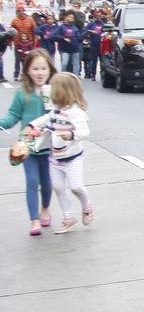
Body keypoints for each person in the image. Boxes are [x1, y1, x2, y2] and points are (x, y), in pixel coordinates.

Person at [28, 73, 93, 234]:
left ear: (64, 92)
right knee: (57, 187)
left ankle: (87, 205)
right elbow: (45, 119)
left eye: (54, 90)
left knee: (76, 187)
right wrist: (32, 126)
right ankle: (68, 217)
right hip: (55, 158)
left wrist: (72, 135)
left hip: (73, 158)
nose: (51, 93)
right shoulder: (55, 110)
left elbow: (85, 132)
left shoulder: (76, 112)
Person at [0, 49, 55, 235]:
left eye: (43, 68)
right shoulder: (22, 93)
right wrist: (1, 123)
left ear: (50, 70)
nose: (40, 72)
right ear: (28, 71)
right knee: (32, 181)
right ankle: (34, 220)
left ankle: (45, 209)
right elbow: (13, 115)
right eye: (35, 68)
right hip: (27, 146)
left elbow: (64, 112)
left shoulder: (54, 91)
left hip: (49, 147)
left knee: (47, 182)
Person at [11, 2, 36, 81]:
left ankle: (26, 75)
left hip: (29, 44)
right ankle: (16, 75)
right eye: (19, 10)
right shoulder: (14, 21)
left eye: (22, 10)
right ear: (17, 11)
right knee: (18, 59)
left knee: (28, 60)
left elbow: (35, 30)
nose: (21, 12)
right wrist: (10, 43)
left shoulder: (30, 19)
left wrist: (34, 42)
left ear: (24, 11)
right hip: (18, 43)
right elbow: (11, 32)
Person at [54, 10, 82, 75]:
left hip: (75, 49)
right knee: (64, 63)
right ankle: (63, 76)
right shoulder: (61, 27)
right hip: (64, 49)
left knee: (76, 64)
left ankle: (76, 77)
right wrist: (64, 38)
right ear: (66, 17)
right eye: (69, 17)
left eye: (72, 18)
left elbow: (78, 37)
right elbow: (55, 36)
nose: (71, 19)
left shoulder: (75, 28)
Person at [84, 11, 104, 80]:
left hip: (102, 45)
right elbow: (85, 30)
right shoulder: (91, 24)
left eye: (100, 15)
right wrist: (91, 32)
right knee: (94, 60)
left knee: (102, 61)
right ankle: (93, 75)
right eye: (97, 16)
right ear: (95, 16)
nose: (98, 17)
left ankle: (103, 75)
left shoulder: (103, 23)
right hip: (94, 44)